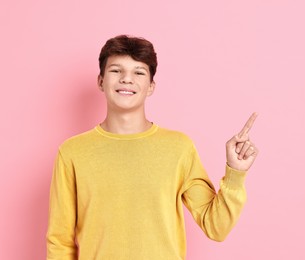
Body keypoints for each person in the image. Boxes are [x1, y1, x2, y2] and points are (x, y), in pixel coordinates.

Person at [46, 35, 259, 260]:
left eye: (138, 72)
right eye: (116, 71)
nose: (127, 79)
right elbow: (60, 241)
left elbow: (216, 227)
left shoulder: (179, 148)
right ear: (100, 81)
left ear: (150, 87)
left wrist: (235, 173)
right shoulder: (72, 152)